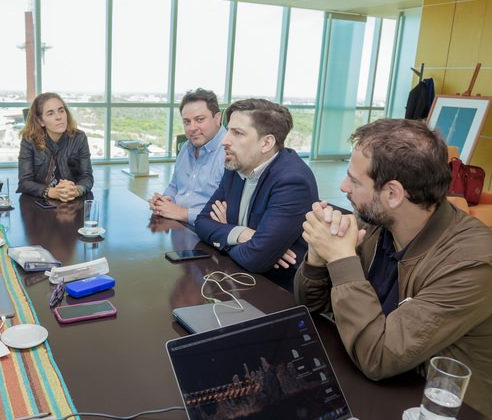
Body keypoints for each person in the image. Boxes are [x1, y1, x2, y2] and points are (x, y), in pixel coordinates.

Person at [294, 119, 492, 416]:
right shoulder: (377, 223)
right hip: (368, 381)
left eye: (355, 181)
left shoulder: (472, 263)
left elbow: (379, 357)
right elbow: (307, 309)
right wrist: (318, 258)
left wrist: (340, 258)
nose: (343, 187)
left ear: (393, 194)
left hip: (435, 406)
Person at [195, 99, 318, 288]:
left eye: (237, 133)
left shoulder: (292, 181)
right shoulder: (236, 165)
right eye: (228, 130)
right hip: (236, 277)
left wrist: (226, 231)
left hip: (275, 290)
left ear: (267, 143)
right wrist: (242, 234)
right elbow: (202, 222)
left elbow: (256, 258)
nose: (224, 141)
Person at [148, 88, 226, 226]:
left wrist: (183, 213)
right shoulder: (186, 147)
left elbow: (228, 213)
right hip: (178, 227)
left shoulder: (231, 152)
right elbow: (174, 186)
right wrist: (164, 201)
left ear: (217, 118)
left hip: (207, 234)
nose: (192, 128)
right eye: (186, 122)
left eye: (200, 119)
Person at [17, 92, 93, 202]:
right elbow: (24, 182)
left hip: (72, 201)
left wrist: (75, 190)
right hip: (39, 204)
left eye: (61, 111)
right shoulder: (29, 140)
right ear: (41, 121)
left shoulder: (79, 138)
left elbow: (87, 177)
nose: (59, 117)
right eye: (50, 113)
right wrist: (52, 192)